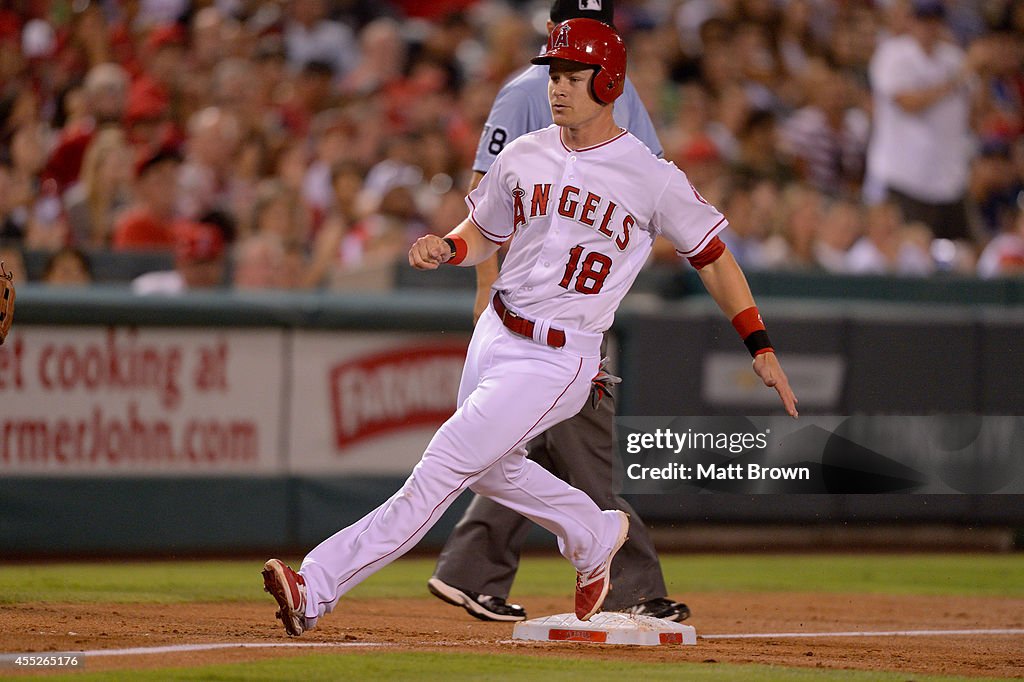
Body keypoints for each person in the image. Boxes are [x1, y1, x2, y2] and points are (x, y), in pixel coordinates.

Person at [262, 18, 797, 637]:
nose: (558, 87)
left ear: (609, 80)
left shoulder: (650, 176)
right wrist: (448, 248)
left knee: (443, 466)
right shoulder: (524, 152)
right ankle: (593, 533)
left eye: (573, 75)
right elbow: (483, 232)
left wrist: (758, 343)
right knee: (492, 468)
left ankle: (316, 585)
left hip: (559, 357)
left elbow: (714, 256)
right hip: (496, 332)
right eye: (556, 75)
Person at [428, 0, 685, 625]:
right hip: (533, 306)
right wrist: (486, 295)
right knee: (580, 447)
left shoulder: (614, 88)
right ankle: (634, 591)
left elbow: (643, 180)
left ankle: (469, 568)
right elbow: (486, 196)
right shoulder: (526, 91)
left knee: (520, 450)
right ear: (552, 30)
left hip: (575, 298)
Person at [864, 0, 978, 241]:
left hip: (948, 178)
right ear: (910, 21)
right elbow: (907, 103)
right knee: (908, 252)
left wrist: (983, 72)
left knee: (961, 254)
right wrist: (955, 80)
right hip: (904, 176)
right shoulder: (894, 54)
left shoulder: (954, 57)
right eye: (923, 20)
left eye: (935, 20)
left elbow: (976, 111)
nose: (929, 27)